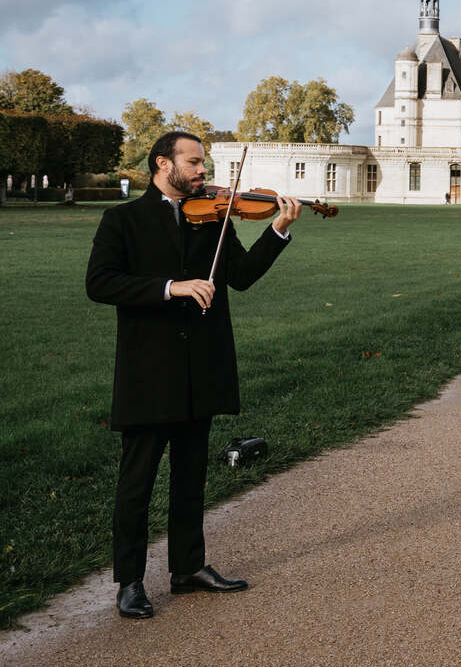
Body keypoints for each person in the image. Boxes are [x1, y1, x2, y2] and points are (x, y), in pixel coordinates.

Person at [86, 132, 302, 620]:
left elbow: (241, 276)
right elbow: (99, 282)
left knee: (191, 477)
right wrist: (170, 287)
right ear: (164, 164)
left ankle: (188, 569)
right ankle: (130, 582)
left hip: (200, 369)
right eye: (195, 162)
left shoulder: (212, 221)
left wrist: (279, 228)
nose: (204, 171)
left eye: (204, 163)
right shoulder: (122, 219)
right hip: (149, 373)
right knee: (136, 483)